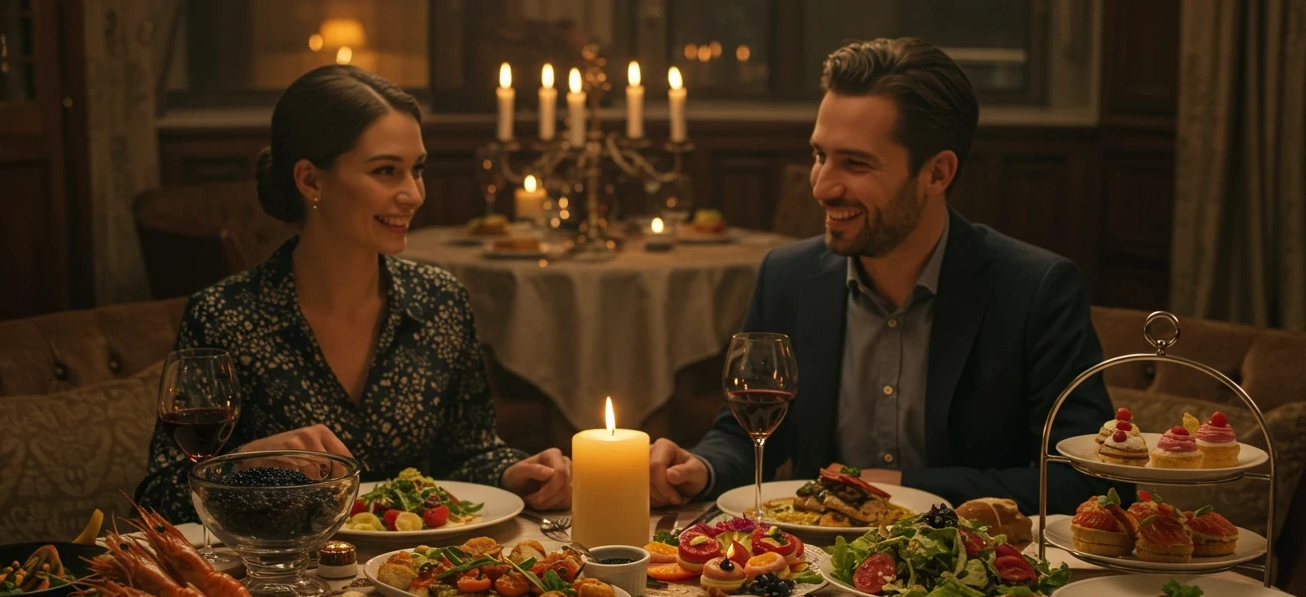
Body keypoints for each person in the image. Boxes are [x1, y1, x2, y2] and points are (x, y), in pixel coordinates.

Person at [649, 38, 1122, 516]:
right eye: (819, 155)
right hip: (812, 574)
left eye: (854, 164)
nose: (822, 185)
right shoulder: (786, 276)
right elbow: (744, 432)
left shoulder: (1036, 289)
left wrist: (905, 488)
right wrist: (701, 468)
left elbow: (1089, 481)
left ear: (937, 173)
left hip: (973, 577)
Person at [137, 65, 571, 523]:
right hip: (281, 579)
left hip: (413, 575)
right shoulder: (225, 314)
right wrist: (243, 465)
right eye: (386, 171)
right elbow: (157, 499)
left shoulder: (440, 301)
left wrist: (513, 472)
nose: (413, 195)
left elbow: (467, 455)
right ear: (310, 181)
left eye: (417, 170)